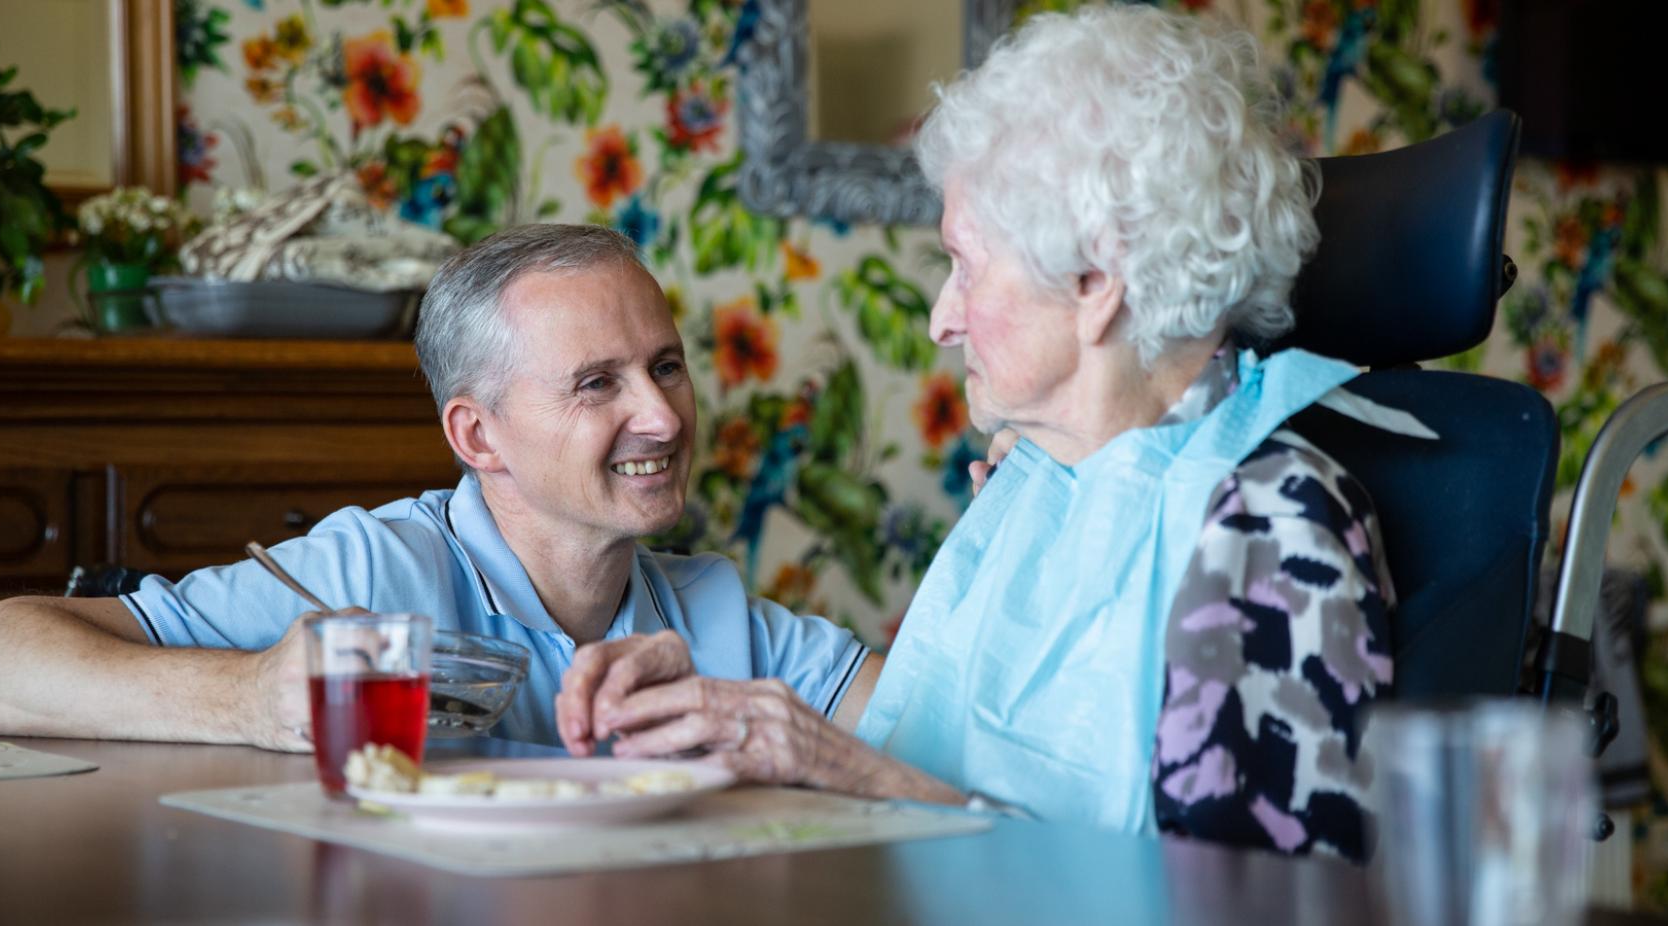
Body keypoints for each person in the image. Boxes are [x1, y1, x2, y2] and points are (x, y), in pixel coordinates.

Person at [554, 5, 1419, 863]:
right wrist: (713, 719)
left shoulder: (1270, 526)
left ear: (1095, 281)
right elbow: (940, 749)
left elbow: (1251, 903)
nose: (941, 318)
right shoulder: (1038, 478)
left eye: (965, 266)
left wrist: (845, 771)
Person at [0, 224, 874, 751]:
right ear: (476, 433)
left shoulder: (711, 607)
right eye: (596, 383)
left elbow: (950, 717)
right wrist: (248, 697)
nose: (661, 416)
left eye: (664, 366)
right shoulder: (372, 566)